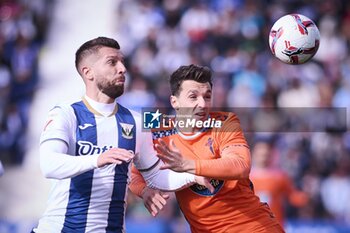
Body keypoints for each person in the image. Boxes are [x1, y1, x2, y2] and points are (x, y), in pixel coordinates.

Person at [32, 37, 212, 233]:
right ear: (88, 72)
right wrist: (98, 159)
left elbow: (155, 175)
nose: (122, 68)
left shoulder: (136, 121)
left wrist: (192, 175)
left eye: (122, 61)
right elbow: (49, 165)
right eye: (112, 62)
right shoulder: (65, 113)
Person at [129, 64, 285, 232]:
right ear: (174, 102)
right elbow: (134, 173)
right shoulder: (158, 128)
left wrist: (189, 166)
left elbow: (241, 165)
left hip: (252, 227)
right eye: (193, 97)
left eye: (207, 96)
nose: (202, 104)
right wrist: (144, 191)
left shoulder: (225, 122)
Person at [250, 139, 309, 226]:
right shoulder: (244, 177)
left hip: (274, 224)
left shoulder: (280, 176)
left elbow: (292, 196)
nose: (263, 157)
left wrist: (305, 196)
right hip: (252, 225)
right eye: (260, 154)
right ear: (253, 154)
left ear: (271, 155)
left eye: (266, 154)